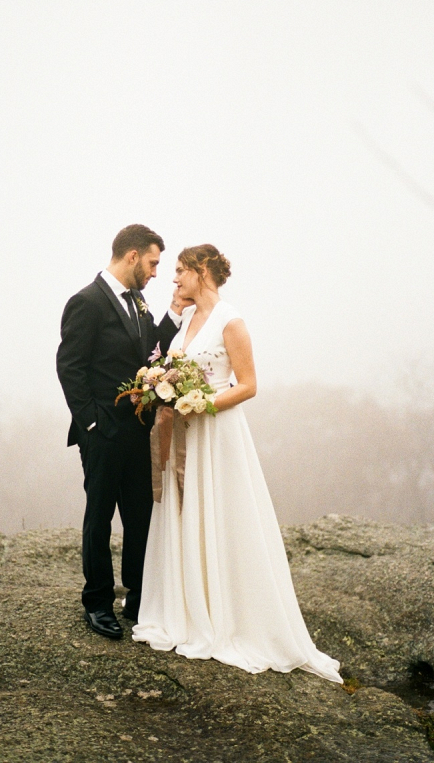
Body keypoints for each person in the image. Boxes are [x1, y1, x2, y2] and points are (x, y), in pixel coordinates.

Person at [132, 244, 343, 681]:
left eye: (180, 272)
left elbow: (247, 386)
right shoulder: (188, 318)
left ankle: (229, 617)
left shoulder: (232, 321)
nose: (174, 280)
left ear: (202, 271)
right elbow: (173, 364)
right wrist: (159, 387)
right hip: (182, 434)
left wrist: (200, 402)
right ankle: (186, 612)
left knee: (220, 515)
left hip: (215, 432)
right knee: (183, 512)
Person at [56, 224, 182, 640]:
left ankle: (138, 598)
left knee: (140, 517)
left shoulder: (140, 302)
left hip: (138, 431)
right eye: (152, 262)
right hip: (102, 433)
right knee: (99, 519)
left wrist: (175, 315)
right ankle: (96, 602)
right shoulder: (86, 302)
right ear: (131, 256)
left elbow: (149, 353)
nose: (155, 272)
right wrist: (91, 423)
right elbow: (69, 366)